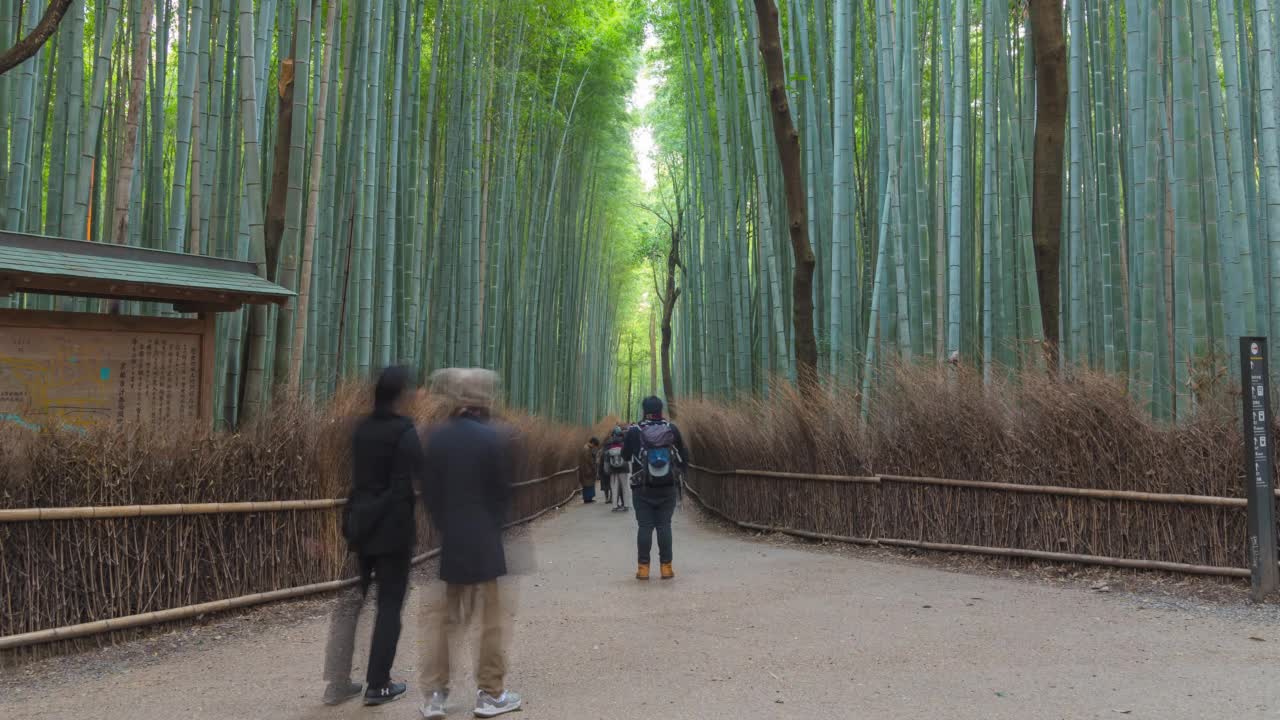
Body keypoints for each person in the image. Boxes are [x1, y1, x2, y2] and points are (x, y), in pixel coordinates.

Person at [418, 368, 523, 719]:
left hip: (454, 539)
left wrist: (447, 524)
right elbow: (501, 493)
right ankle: (490, 694)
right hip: (486, 540)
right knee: (492, 622)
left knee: (446, 622)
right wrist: (492, 525)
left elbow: (430, 493)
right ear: (484, 400)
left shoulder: (437, 437)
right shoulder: (494, 438)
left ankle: (435, 695)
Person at [322, 366, 423, 707]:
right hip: (392, 530)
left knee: (351, 604)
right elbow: (417, 473)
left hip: (360, 524)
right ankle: (378, 683)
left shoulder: (360, 429)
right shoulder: (405, 431)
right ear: (401, 395)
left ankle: (336, 683)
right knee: (389, 605)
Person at [623, 397, 688, 580]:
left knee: (645, 527)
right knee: (664, 526)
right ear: (661, 410)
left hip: (641, 487)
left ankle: (643, 569)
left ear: (644, 410)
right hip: (667, 487)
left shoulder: (635, 431)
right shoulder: (671, 429)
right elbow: (683, 454)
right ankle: (666, 568)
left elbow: (625, 454)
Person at [598, 426, 631, 512]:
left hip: (613, 470)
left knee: (614, 487)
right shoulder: (625, 444)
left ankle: (615, 506)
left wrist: (606, 470)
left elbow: (606, 460)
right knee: (625, 487)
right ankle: (626, 505)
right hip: (623, 469)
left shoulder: (609, 445)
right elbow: (628, 457)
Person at [579, 437, 601, 503]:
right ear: (593, 443)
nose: (594, 447)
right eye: (594, 445)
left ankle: (588, 498)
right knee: (588, 485)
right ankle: (587, 499)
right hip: (587, 470)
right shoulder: (587, 449)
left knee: (588, 485)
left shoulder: (586, 448)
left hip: (586, 469)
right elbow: (589, 460)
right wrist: (593, 467)